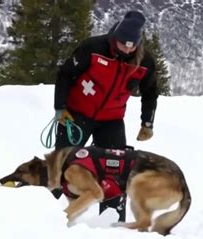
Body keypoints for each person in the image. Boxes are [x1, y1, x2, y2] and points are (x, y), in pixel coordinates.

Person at [54, 10, 159, 150]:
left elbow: (150, 93)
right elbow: (65, 74)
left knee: (113, 168)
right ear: (116, 38)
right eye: (123, 44)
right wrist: (60, 107)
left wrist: (147, 123)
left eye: (132, 46)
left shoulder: (145, 62)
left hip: (112, 120)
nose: (127, 50)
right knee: (63, 162)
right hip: (76, 114)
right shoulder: (93, 47)